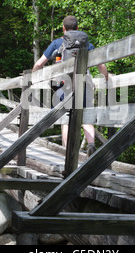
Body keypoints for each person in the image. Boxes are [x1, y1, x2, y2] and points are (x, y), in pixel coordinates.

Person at [32, 16, 108, 157]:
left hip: (64, 85)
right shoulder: (86, 44)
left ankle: (68, 152)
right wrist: (106, 76)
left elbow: (39, 64)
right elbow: (101, 65)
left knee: (65, 118)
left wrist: (32, 76)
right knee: (86, 116)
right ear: (77, 28)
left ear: (63, 28)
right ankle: (91, 145)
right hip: (84, 83)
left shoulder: (57, 43)